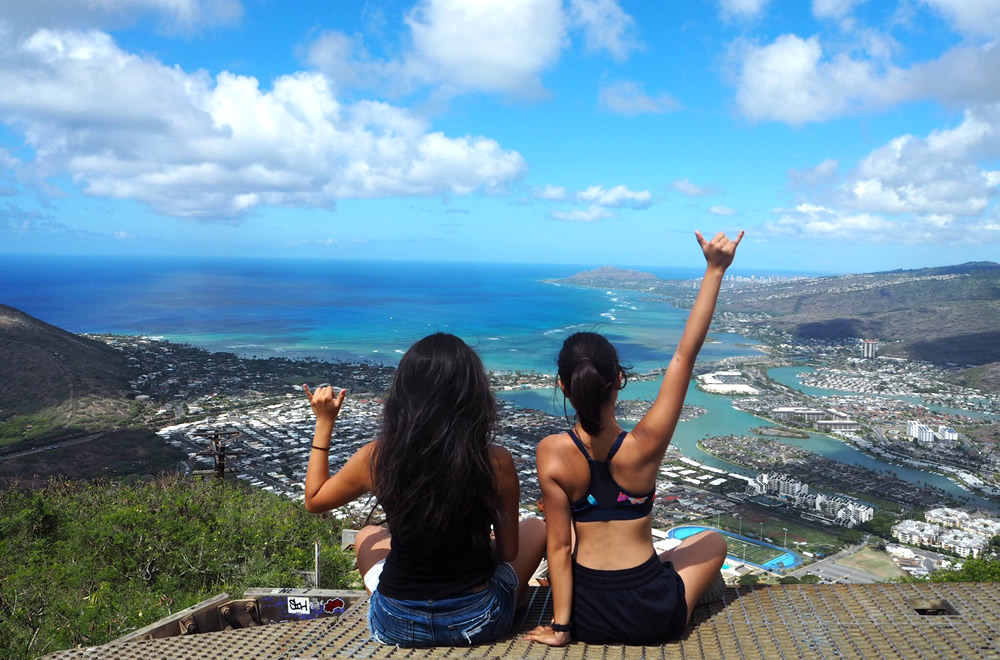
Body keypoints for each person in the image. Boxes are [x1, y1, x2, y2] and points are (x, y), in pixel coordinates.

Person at [526, 230, 742, 646]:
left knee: (568, 534)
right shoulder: (644, 446)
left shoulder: (551, 454)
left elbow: (557, 549)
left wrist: (562, 628)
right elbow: (684, 355)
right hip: (651, 614)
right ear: (619, 381)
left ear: (563, 387)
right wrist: (715, 269)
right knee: (712, 539)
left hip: (586, 614)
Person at [303, 332, 546, 647]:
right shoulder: (494, 460)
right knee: (536, 528)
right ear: (472, 394)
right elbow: (508, 552)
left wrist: (324, 421)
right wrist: (475, 545)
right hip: (477, 620)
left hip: (395, 623)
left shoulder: (377, 457)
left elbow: (315, 499)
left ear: (404, 393)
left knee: (366, 536)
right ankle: (515, 600)